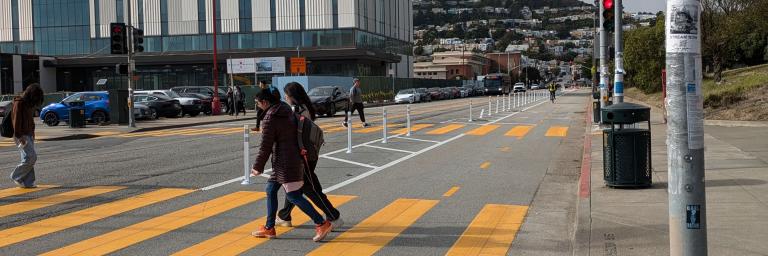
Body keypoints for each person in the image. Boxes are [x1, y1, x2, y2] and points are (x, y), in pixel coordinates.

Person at [250, 87, 332, 241]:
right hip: (288, 158)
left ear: (265, 102)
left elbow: (265, 146)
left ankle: (321, 223)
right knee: (270, 189)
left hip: (286, 161)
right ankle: (269, 228)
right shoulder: (285, 109)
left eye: (258, 103)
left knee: (293, 195)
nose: (257, 106)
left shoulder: (269, 118)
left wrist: (257, 167)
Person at [275, 82, 343, 230]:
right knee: (295, 187)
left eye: (286, 94)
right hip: (309, 154)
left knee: (310, 189)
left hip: (302, 156)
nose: (285, 97)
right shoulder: (307, 108)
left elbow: (292, 134)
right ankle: (284, 215)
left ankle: (333, 216)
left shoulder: (297, 111)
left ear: (292, 96)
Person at [10, 83, 44, 188]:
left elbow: (30, 119)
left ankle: (28, 182)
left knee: (27, 158)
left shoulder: (28, 103)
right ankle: (15, 176)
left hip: (28, 133)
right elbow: (16, 121)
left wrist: (33, 130)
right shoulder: (19, 103)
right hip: (21, 134)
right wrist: (19, 137)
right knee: (31, 157)